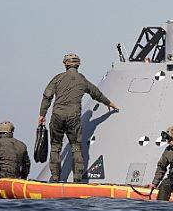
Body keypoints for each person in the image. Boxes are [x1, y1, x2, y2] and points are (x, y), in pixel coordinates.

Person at [38, 53, 119, 182]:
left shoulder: (58, 78)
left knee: (55, 147)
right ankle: (77, 180)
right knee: (76, 147)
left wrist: (42, 115)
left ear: (65, 64)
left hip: (57, 116)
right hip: (74, 118)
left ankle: (55, 178)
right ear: (78, 65)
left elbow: (47, 96)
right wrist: (109, 103)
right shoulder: (82, 80)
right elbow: (96, 93)